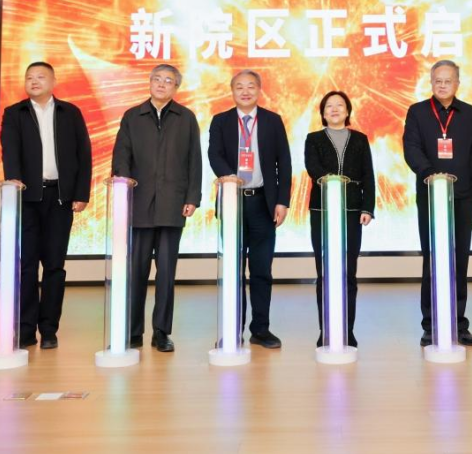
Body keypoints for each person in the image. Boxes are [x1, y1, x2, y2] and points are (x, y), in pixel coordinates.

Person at [0, 61, 93, 349]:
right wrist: (14, 183)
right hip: (28, 198)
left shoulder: (70, 112)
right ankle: (25, 330)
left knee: (54, 265)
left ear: (53, 82)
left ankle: (49, 329)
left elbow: (84, 153)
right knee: (26, 266)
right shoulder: (14, 113)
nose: (34, 81)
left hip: (60, 198)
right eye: (29, 77)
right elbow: (10, 151)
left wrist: (81, 193)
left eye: (41, 77)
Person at [111, 64, 202, 353]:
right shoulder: (132, 116)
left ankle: (161, 332)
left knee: (166, 274)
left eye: (168, 81)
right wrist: (123, 190)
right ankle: (133, 330)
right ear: (150, 83)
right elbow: (121, 155)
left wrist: (193, 197)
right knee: (136, 272)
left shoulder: (186, 118)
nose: (162, 84)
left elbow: (194, 160)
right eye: (157, 79)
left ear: (176, 87)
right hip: (139, 204)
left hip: (173, 205)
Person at [403, 60, 472, 347]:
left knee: (459, 260)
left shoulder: (470, 114)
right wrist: (430, 174)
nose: (442, 85)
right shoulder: (417, 112)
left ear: (457, 84)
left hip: (463, 196)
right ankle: (430, 324)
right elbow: (411, 148)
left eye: (448, 81)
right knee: (433, 259)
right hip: (431, 196)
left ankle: (458, 323)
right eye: (437, 80)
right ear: (431, 82)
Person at [207, 70, 292, 349]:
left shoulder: (272, 120)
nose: (245, 91)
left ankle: (261, 329)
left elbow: (284, 162)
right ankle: (232, 330)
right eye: (239, 87)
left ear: (259, 90)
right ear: (232, 91)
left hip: (263, 203)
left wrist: (282, 201)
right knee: (233, 270)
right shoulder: (220, 121)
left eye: (251, 86)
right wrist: (229, 176)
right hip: (233, 201)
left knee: (261, 270)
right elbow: (214, 154)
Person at [304, 90, 376, 347]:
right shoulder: (313, 139)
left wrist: (367, 207)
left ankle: (348, 329)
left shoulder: (360, 139)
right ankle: (326, 329)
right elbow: (313, 168)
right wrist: (331, 182)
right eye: (329, 106)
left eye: (339, 105)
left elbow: (368, 174)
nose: (334, 109)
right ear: (323, 113)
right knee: (325, 272)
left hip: (353, 211)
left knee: (348, 272)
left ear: (347, 111)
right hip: (322, 211)